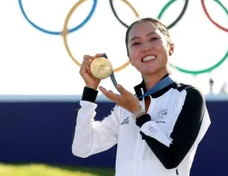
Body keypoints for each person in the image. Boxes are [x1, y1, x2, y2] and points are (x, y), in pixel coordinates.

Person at [71, 17, 211, 176]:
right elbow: (82, 148)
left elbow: (171, 158)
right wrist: (90, 90)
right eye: (136, 43)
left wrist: (139, 114)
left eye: (153, 38)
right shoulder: (126, 107)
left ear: (170, 47)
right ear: (130, 58)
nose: (145, 47)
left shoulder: (189, 96)